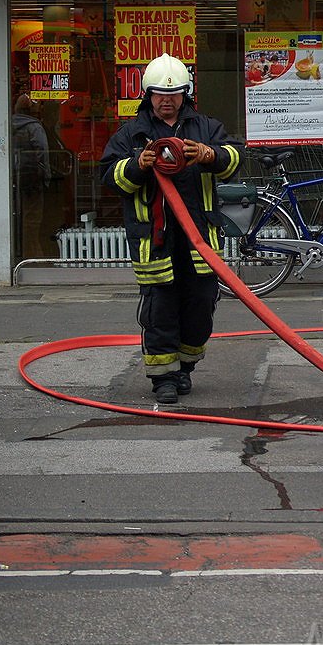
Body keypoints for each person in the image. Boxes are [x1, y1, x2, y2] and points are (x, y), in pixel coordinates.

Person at [100, 53, 243, 404]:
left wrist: (211, 155)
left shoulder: (205, 127)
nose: (167, 100)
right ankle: (163, 377)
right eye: (160, 95)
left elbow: (235, 158)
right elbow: (109, 177)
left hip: (199, 238)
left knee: (200, 303)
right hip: (155, 238)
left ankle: (184, 368)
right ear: (147, 95)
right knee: (160, 308)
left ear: (186, 93)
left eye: (174, 93)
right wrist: (137, 164)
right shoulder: (132, 134)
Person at [12, 93, 51, 258]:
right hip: (32, 178)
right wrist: (46, 178)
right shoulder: (34, 127)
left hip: (15, 177)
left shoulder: (7, 125)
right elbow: (43, 153)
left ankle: (22, 251)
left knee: (17, 216)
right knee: (33, 218)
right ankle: (33, 253)